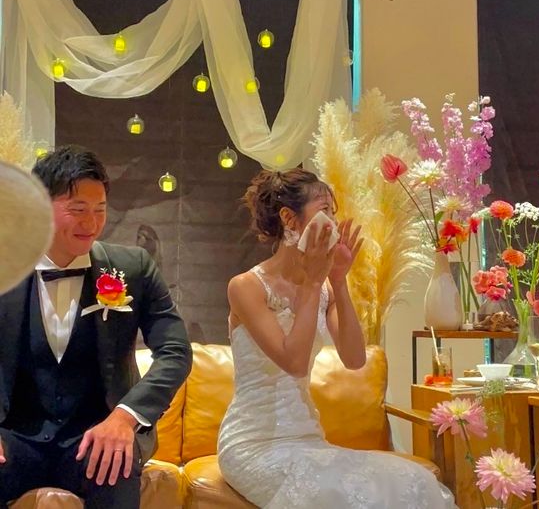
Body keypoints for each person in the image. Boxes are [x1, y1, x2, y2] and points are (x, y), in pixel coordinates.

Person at [218, 168, 455, 508]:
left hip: (308, 439)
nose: (333, 222)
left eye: (334, 212)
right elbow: (294, 363)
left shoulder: (325, 287)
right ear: (289, 219)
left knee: (414, 479)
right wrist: (314, 282)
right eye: (324, 211)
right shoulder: (246, 287)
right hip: (253, 444)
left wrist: (339, 281)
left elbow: (355, 359)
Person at [0, 145, 192, 509]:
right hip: (15, 436)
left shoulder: (133, 268)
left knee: (115, 467)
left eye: (99, 209)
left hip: (96, 434)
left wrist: (125, 417)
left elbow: (175, 351)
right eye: (78, 210)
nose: (91, 223)